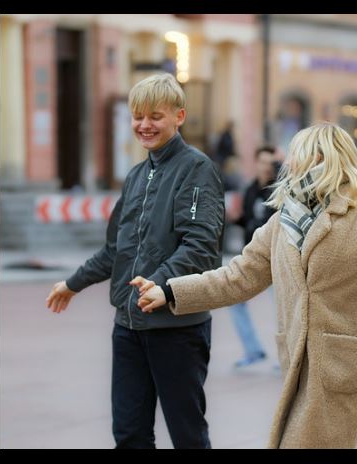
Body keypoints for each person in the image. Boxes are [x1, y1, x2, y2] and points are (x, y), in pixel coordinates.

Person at [131, 122, 357, 449]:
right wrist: (171, 291)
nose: (286, 162)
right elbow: (238, 277)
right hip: (296, 364)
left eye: (294, 154)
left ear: (318, 156)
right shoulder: (283, 220)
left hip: (341, 368)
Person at [45, 73, 225, 449]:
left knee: (187, 435)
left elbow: (201, 245)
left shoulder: (196, 169)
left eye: (155, 116)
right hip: (128, 327)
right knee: (129, 434)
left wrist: (159, 282)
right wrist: (72, 283)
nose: (144, 125)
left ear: (179, 116)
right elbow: (116, 250)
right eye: (138, 116)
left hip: (176, 328)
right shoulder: (136, 176)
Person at [230, 146, 279, 368]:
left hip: (274, 257)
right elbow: (250, 220)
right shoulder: (250, 189)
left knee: (283, 306)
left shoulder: (279, 189)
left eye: (271, 162)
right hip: (251, 257)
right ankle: (253, 350)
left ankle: (287, 356)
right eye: (263, 161)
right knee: (235, 301)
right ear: (256, 163)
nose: (266, 166)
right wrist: (235, 219)